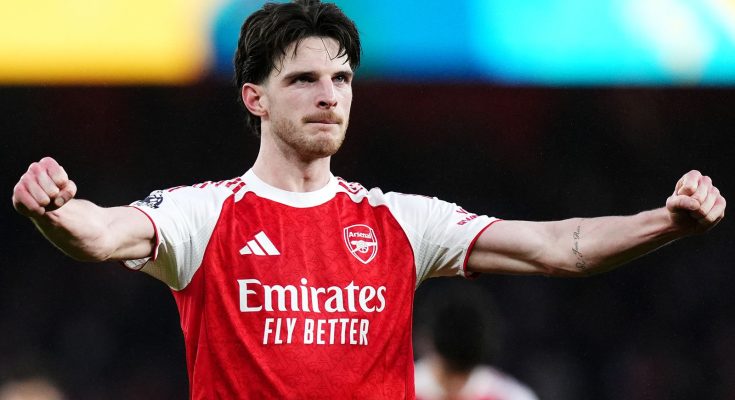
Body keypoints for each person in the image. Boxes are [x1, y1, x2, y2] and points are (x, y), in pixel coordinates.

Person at [11, 0, 726, 398]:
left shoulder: (401, 221)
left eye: (342, 80)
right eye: (304, 80)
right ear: (255, 98)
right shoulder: (203, 215)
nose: (329, 96)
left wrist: (666, 222)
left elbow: (558, 248)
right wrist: (54, 209)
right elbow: (100, 234)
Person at [414, 280, 538, 400]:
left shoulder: (510, 395)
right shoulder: (405, 389)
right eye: (448, 372)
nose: (455, 385)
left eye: (463, 373)